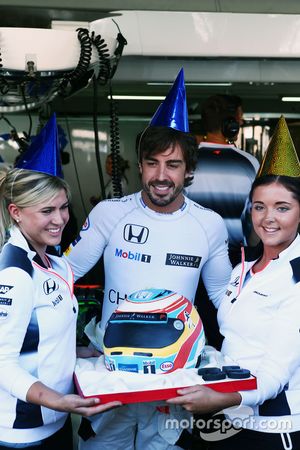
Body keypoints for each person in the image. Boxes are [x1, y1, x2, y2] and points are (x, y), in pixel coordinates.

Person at [64, 69, 232, 450]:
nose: (160, 175)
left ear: (189, 171)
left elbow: (224, 298)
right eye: (152, 162)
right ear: (139, 165)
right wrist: (61, 343)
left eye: (172, 165)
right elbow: (62, 277)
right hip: (111, 371)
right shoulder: (110, 213)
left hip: (174, 376)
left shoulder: (209, 224)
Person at [168, 116, 300, 450]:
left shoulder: (296, 279)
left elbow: (274, 374)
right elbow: (233, 339)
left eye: (282, 207)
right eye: (259, 207)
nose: (267, 218)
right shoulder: (244, 267)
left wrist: (219, 399)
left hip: (273, 427)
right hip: (232, 416)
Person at [0, 114, 120, 450]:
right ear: (16, 212)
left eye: (63, 208)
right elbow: (3, 362)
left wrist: (80, 351)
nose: (60, 220)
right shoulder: (14, 272)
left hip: (57, 422)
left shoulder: (57, 264)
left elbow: (39, 338)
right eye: (46, 211)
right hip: (22, 432)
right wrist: (56, 400)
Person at [186, 94, 260, 350]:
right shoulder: (250, 164)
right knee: (227, 322)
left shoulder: (186, 164)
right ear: (232, 123)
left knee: (191, 323)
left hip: (189, 256)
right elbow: (253, 221)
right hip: (233, 259)